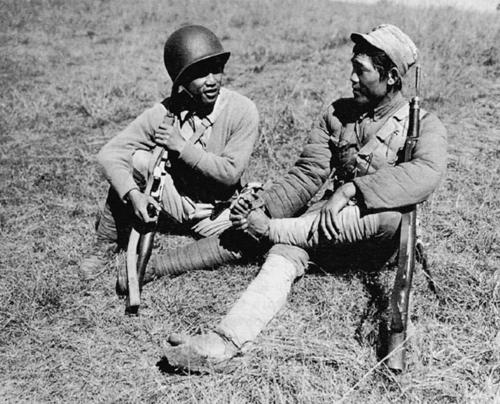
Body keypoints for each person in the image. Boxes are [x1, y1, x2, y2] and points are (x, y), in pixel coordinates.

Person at [160, 24, 447, 372]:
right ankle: (223, 345)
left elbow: (426, 173)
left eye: (361, 70)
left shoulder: (424, 126)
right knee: (282, 254)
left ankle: (275, 231)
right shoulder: (338, 114)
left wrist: (354, 188)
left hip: (375, 240)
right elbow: (307, 174)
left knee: (387, 218)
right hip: (322, 231)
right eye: (352, 67)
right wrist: (262, 207)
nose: (352, 78)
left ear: (389, 77)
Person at [79, 25, 259, 284]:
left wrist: (181, 147)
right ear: (182, 80)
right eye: (200, 74)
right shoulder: (166, 112)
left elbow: (230, 174)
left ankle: (168, 261)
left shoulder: (242, 110)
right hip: (176, 203)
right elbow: (111, 152)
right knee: (135, 161)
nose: (212, 80)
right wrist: (133, 195)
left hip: (218, 212)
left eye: (216, 69)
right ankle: (106, 242)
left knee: (254, 238)